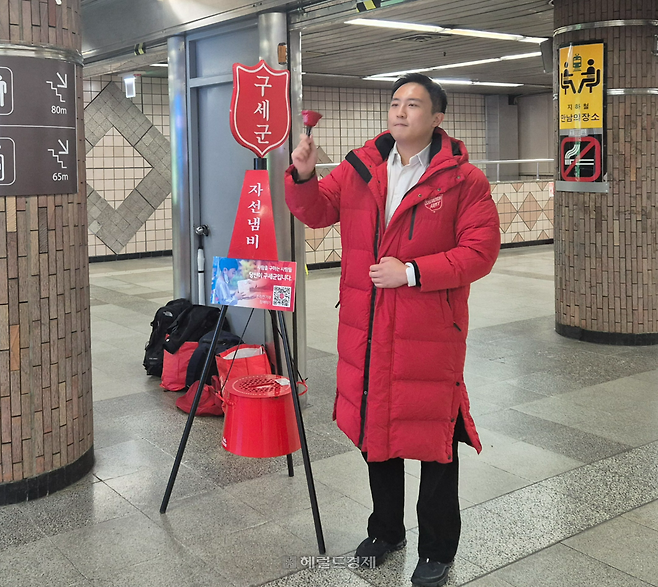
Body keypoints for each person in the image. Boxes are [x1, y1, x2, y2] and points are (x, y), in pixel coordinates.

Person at [285, 73, 500, 587]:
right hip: (367, 329)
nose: (400, 111)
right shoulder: (361, 169)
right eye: (395, 102)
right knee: (374, 434)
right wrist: (304, 176)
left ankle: (438, 548)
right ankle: (385, 532)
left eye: (414, 104)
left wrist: (412, 272)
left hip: (429, 332)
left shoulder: (463, 180)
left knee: (434, 441)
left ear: (438, 118)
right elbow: (316, 213)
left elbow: (480, 251)